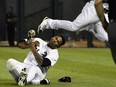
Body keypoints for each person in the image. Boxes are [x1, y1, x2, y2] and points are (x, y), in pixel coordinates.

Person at [37, 0, 109, 45]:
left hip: (104, 14)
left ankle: (88, 27)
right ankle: (48, 22)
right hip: (95, 9)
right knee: (73, 26)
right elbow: (97, 2)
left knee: (106, 37)